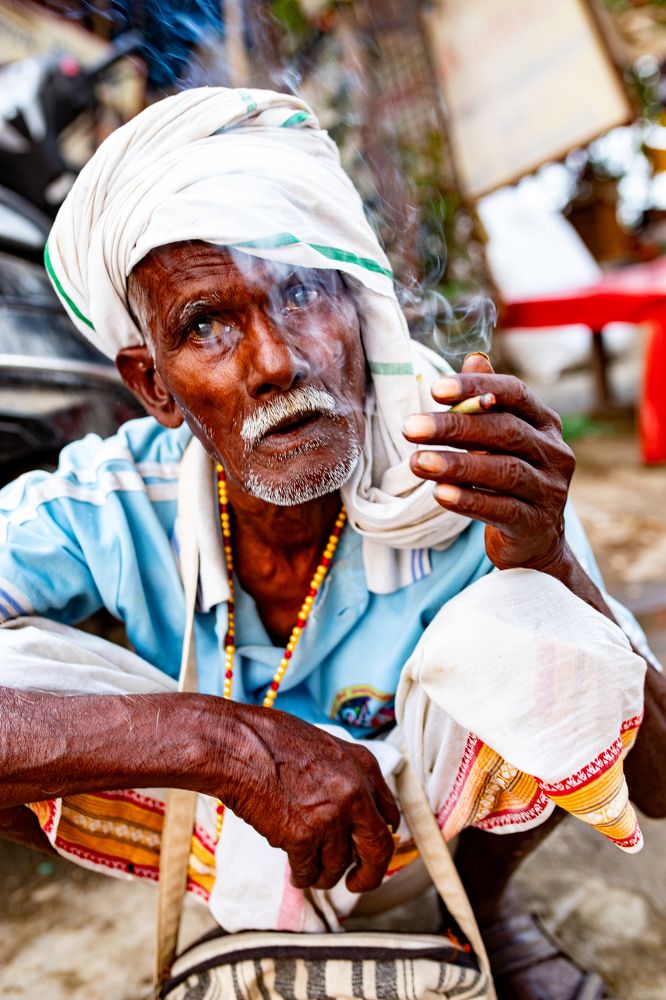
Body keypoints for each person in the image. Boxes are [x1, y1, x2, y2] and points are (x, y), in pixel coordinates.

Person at [0, 88, 663, 1000]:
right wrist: (220, 745)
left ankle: (473, 912)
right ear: (154, 386)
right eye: (208, 324)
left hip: (435, 822)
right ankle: (251, 903)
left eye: (304, 291)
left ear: (361, 314)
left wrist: (550, 565)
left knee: (541, 639)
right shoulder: (109, 502)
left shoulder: (462, 472)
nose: (276, 360)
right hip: (222, 828)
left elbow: (661, 776)